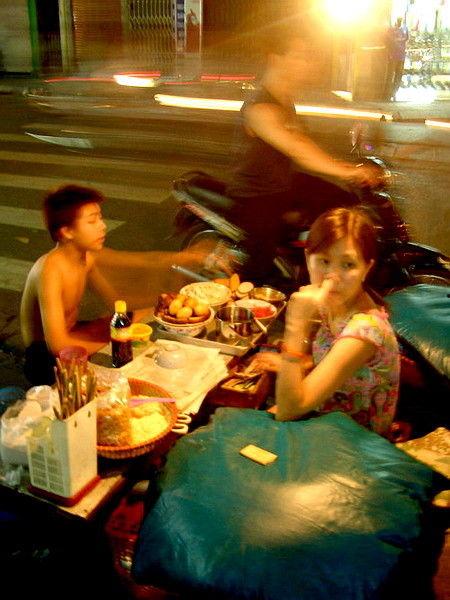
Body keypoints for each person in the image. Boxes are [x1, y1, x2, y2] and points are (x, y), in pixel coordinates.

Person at [20, 184, 221, 385]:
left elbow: (118, 297)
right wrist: (115, 339)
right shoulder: (50, 270)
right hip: (44, 356)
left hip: (73, 332)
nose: (102, 226)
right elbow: (58, 345)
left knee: (129, 324)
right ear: (67, 231)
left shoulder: (86, 258)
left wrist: (161, 302)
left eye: (100, 218)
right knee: (119, 347)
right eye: (92, 220)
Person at [226, 22, 379, 282]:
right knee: (259, 266)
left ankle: (312, 266)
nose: (307, 63)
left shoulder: (284, 98)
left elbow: (303, 141)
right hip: (257, 194)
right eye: (299, 56)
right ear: (276, 59)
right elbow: (298, 149)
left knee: (343, 202)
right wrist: (349, 171)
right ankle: (249, 293)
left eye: (308, 56)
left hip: (284, 183)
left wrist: (345, 168)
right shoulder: (260, 108)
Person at [253, 207, 400, 437]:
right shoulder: (333, 304)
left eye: (348, 264)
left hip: (353, 443)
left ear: (367, 268)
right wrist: (299, 365)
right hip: (326, 416)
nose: (332, 276)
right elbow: (332, 359)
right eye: (324, 261)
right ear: (307, 259)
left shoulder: (365, 330)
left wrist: (295, 326)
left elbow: (289, 410)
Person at [384, 17, 408, 101]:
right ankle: (388, 93)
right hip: (393, 55)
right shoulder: (391, 30)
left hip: (401, 56)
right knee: (390, 75)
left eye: (400, 20)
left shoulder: (404, 29)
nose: (399, 22)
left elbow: (406, 39)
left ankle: (393, 93)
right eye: (398, 20)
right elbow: (387, 41)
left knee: (398, 76)